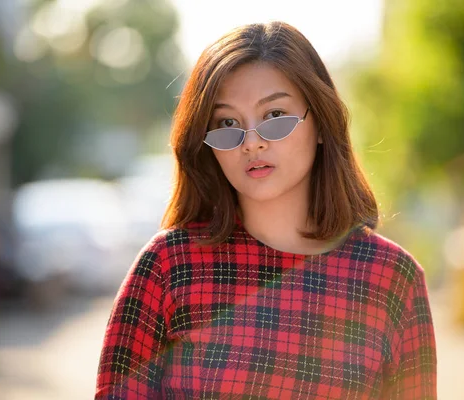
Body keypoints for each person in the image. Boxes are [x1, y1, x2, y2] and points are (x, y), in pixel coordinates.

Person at [95, 21, 437, 399]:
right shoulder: (168, 267)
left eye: (274, 115)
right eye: (228, 123)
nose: (251, 142)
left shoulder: (392, 280)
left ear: (321, 123)